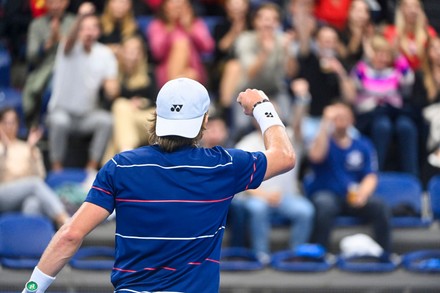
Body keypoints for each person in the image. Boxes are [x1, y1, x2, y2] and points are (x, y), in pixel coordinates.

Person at [21, 77, 295, 293]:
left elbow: (70, 235)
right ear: (205, 122)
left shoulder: (121, 166)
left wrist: (31, 289)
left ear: (156, 117)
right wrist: (262, 106)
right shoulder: (222, 166)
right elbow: (284, 156)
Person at [307, 102, 391, 254]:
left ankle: (384, 253)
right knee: (324, 205)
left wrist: (363, 194)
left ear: (352, 119)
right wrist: (325, 123)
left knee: (379, 206)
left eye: (344, 116)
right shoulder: (324, 141)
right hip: (327, 193)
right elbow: (316, 156)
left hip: (353, 195)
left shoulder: (363, 144)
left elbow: (371, 175)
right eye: (336, 117)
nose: (340, 119)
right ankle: (320, 253)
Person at [46, 3, 119, 173]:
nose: (88, 31)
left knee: (106, 121)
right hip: (61, 111)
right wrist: (80, 16)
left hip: (87, 115)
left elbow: (111, 85)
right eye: (84, 28)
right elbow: (69, 38)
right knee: (59, 121)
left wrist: (112, 89)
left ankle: (91, 169)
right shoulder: (68, 48)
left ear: (99, 32)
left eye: (93, 27)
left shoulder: (105, 54)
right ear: (78, 30)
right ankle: (57, 169)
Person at [231, 125, 314, 263]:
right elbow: (239, 179)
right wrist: (265, 195)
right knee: (257, 209)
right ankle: (261, 254)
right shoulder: (246, 143)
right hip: (258, 196)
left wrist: (302, 102)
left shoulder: (290, 137)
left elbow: (298, 122)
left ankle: (296, 254)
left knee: (306, 211)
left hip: (287, 197)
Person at [349, 34, 418, 175]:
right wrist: (366, 58)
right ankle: (375, 175)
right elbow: (356, 83)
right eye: (378, 53)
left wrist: (397, 54)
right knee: (383, 126)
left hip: (394, 112)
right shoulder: (362, 70)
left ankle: (412, 177)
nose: (382, 58)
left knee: (407, 127)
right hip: (371, 115)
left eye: (386, 54)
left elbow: (409, 80)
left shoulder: (394, 72)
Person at [0, 107, 69, 228]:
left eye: (12, 122)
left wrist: (31, 151)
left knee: (33, 204)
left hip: (25, 193)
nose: (9, 126)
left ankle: (29, 240)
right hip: (3, 194)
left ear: (18, 124)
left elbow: (40, 177)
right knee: (34, 184)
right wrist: (5, 150)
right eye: (5, 122)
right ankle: (65, 220)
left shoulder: (28, 147)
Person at [102, 35, 157, 164]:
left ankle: (107, 166)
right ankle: (125, 152)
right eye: (128, 50)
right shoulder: (112, 75)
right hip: (125, 119)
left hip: (146, 118)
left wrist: (141, 102)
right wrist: (110, 94)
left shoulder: (149, 74)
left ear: (142, 54)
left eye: (136, 50)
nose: (132, 55)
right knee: (121, 107)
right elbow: (106, 105)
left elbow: (156, 100)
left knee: (121, 111)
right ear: (121, 52)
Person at [22, 0, 76, 128]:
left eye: (60, 2)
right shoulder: (37, 24)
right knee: (47, 86)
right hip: (44, 69)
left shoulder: (74, 23)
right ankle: (40, 124)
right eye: (52, 2)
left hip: (72, 70)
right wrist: (48, 44)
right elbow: (31, 56)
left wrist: (60, 39)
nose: (56, 5)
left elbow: (79, 52)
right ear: (45, 4)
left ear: (66, 3)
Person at [147, 0, 215, 88]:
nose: (178, 7)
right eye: (174, 3)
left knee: (191, 74)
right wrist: (171, 27)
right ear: (164, 6)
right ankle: (175, 84)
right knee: (181, 44)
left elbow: (208, 47)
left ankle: (176, 87)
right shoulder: (157, 25)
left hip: (194, 71)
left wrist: (189, 28)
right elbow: (157, 53)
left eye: (182, 3)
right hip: (166, 75)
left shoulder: (195, 23)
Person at [383, 0, 437, 71]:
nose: (413, 10)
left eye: (416, 6)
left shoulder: (429, 32)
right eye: (408, 6)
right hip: (399, 76)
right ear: (401, 9)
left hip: (424, 75)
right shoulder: (390, 32)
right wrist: (393, 51)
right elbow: (385, 62)